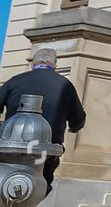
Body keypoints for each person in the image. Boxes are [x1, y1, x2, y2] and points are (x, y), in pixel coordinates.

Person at [0, 48, 86, 195]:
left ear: (33, 63)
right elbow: (78, 119)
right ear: (54, 65)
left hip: (11, 147)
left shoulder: (15, 81)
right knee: (37, 189)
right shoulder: (64, 85)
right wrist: (73, 127)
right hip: (45, 150)